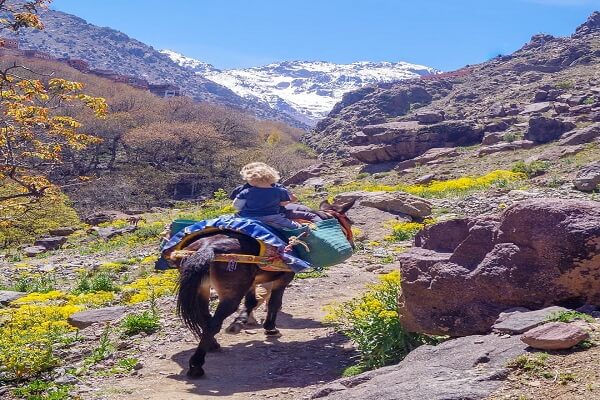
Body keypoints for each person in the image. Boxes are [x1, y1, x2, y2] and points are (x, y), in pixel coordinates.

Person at [232, 163, 301, 230]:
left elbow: (236, 206)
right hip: (273, 217)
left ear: (251, 179)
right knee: (295, 227)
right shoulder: (281, 191)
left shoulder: (245, 191)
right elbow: (284, 203)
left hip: (248, 217)